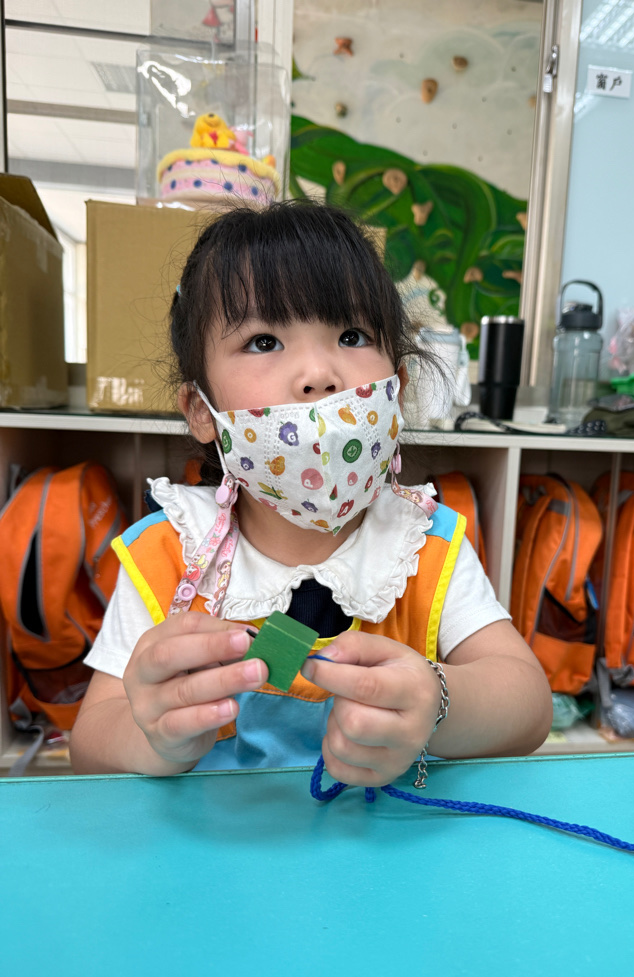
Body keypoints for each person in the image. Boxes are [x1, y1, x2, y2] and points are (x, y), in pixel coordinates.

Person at [69, 201, 551, 785]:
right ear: (200, 410)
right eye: (263, 341)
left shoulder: (424, 544)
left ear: (396, 388)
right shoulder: (167, 553)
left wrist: (438, 701)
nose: (319, 374)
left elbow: (529, 707)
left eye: (351, 335)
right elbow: (89, 745)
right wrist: (156, 741)